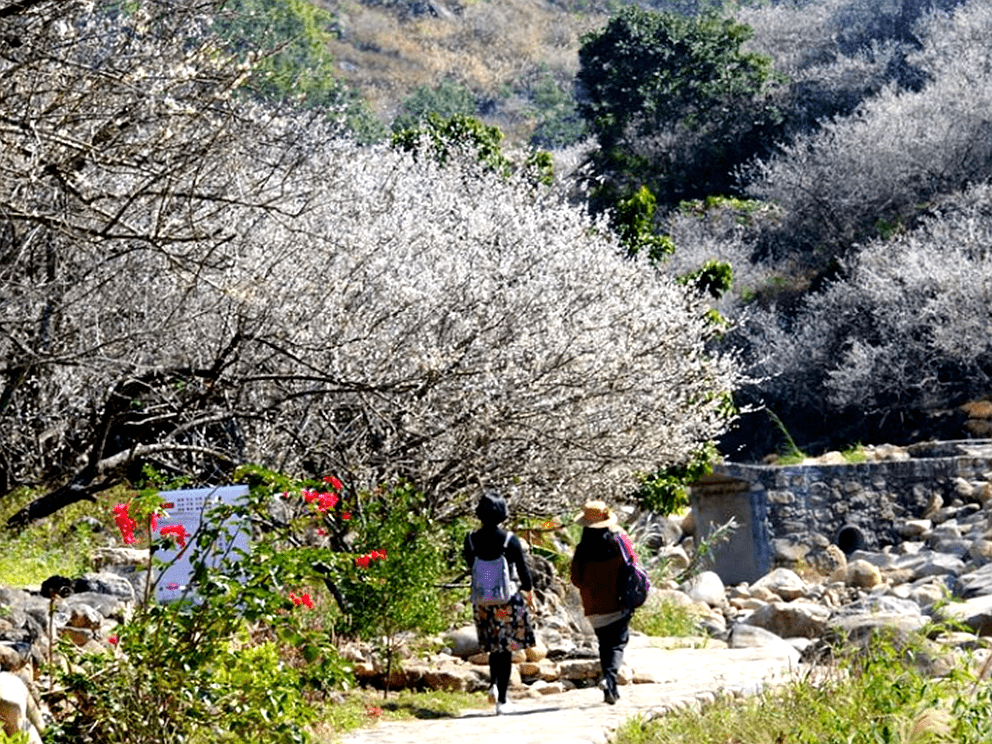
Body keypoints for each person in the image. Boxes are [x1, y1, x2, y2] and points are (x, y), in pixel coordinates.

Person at [463, 491, 535, 715]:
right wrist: (529, 592)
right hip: (507, 599)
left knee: (493, 647)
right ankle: (502, 699)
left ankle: (493, 684)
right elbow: (523, 570)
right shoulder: (509, 539)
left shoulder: (471, 539)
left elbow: (469, 563)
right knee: (506, 648)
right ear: (503, 513)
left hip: (482, 600)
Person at [570, 499, 637, 705]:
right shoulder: (618, 543)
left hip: (593, 606)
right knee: (617, 644)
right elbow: (632, 565)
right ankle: (609, 680)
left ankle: (611, 688)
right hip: (617, 602)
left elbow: (576, 579)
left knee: (604, 644)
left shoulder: (581, 550)